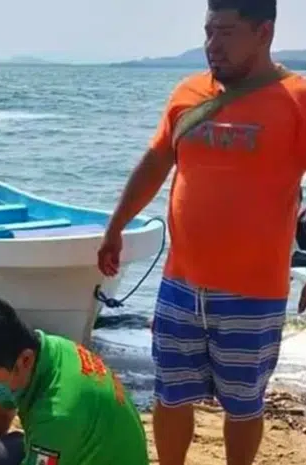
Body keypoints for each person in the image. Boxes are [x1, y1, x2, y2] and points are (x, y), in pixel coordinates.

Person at [97, 1, 306, 464]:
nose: (213, 46)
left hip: (254, 293)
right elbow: (155, 163)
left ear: (264, 32)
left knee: (244, 402)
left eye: (226, 33)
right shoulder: (188, 92)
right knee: (170, 394)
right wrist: (116, 227)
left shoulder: (296, 99)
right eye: (209, 32)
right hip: (180, 284)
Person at [0, 293, 149, 465]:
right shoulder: (47, 348)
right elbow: (0, 412)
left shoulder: (56, 413)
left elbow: (54, 426)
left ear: (25, 360)